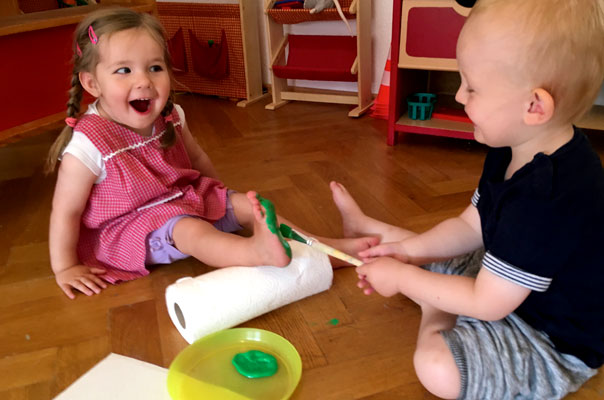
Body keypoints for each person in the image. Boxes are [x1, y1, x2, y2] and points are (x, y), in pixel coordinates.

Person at [330, 0, 604, 398]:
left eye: (471, 86)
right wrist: (407, 254)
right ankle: (372, 230)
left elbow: (489, 303)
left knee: (436, 367)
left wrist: (409, 281)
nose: (458, 96)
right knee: (425, 253)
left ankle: (434, 309)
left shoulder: (547, 196)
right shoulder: (513, 146)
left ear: (534, 106)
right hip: (509, 289)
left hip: (550, 341)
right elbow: (469, 225)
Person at [46, 7, 377, 300]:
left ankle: (324, 248)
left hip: (179, 200)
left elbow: (199, 160)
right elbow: (66, 212)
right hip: (131, 226)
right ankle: (254, 251)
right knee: (189, 229)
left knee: (252, 204)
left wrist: (221, 203)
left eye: (155, 67)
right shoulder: (88, 144)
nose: (145, 81)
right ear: (92, 83)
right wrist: (65, 267)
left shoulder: (171, 114)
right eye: (124, 71)